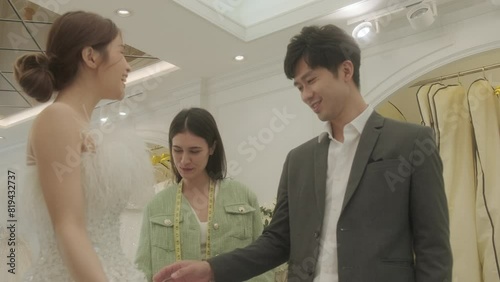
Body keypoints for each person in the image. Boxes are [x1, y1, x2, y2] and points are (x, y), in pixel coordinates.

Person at [153, 24, 453, 282]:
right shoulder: (299, 160)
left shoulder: (411, 142)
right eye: (299, 87)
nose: (305, 95)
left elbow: (433, 249)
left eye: (310, 80)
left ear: (346, 70)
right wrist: (211, 269)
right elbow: (277, 241)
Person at [15, 11, 153, 281]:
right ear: (91, 56)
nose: (128, 66)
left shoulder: (78, 125)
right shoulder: (58, 117)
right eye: (121, 52)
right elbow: (68, 228)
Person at [135, 108, 274, 282]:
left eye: (194, 151)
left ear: (212, 147)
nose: (184, 160)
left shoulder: (243, 197)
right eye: (177, 150)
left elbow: (263, 263)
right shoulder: (156, 206)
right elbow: (141, 271)